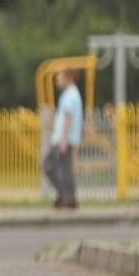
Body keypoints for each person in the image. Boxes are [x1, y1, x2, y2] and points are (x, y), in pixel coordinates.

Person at [44, 68, 82, 210]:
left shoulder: (71, 95)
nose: (57, 79)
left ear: (68, 77)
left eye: (59, 76)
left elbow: (68, 117)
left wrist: (64, 140)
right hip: (63, 138)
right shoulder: (70, 94)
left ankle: (67, 197)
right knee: (62, 169)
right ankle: (66, 197)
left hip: (63, 140)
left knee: (51, 166)